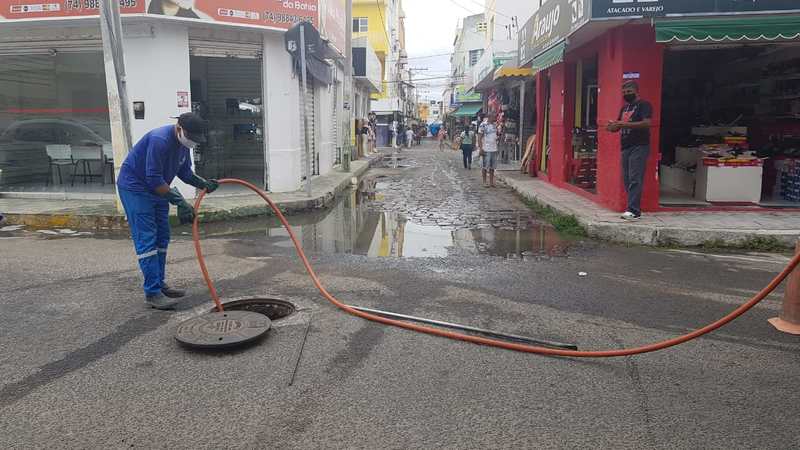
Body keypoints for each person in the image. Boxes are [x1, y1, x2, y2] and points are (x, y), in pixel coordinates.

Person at [117, 112, 219, 310]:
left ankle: (159, 283)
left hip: (158, 188)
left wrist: (203, 183)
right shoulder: (160, 140)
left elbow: (185, 172)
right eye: (190, 137)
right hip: (136, 188)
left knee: (162, 237)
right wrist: (180, 201)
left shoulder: (183, 145)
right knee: (147, 239)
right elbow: (153, 178)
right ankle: (152, 293)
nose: (192, 142)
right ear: (179, 128)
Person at [607, 80, 652, 220]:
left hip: (639, 145)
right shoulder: (624, 108)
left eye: (629, 91)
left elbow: (647, 123)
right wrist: (612, 127)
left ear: (636, 91)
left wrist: (624, 124)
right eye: (624, 92)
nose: (626, 94)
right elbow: (618, 126)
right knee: (627, 179)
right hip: (625, 146)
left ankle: (633, 210)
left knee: (635, 178)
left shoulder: (644, 105)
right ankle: (632, 207)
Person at [478, 113, 499, 187]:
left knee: (492, 167)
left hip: (494, 148)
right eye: (494, 116)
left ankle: (491, 182)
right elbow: (479, 137)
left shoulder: (495, 125)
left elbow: (495, 136)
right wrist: (481, 148)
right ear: (490, 117)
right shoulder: (483, 125)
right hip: (486, 149)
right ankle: (484, 182)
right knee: (485, 166)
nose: (495, 118)